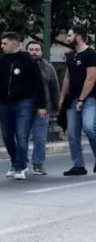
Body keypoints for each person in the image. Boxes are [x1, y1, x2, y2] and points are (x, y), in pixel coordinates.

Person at [60, 25, 96, 176]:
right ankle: (78, 166)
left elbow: (90, 78)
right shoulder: (70, 56)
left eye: (69, 35)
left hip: (90, 98)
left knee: (89, 127)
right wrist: (62, 97)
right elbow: (67, 77)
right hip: (72, 98)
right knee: (73, 133)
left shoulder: (92, 55)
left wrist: (82, 99)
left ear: (78, 36)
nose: (67, 38)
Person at [1, 32, 48, 180]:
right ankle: (16, 162)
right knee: (7, 136)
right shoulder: (2, 61)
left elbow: (38, 84)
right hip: (4, 103)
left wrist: (41, 105)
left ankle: (20, 167)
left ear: (14, 44)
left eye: (4, 43)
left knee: (22, 135)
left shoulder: (27, 61)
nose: (2, 46)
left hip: (24, 103)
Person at [26, 40, 59, 176]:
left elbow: (54, 88)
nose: (34, 52)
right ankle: (19, 164)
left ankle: (38, 164)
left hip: (42, 110)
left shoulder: (48, 68)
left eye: (36, 50)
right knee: (20, 138)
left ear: (41, 52)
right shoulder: (20, 66)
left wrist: (55, 106)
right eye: (31, 50)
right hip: (23, 109)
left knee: (40, 139)